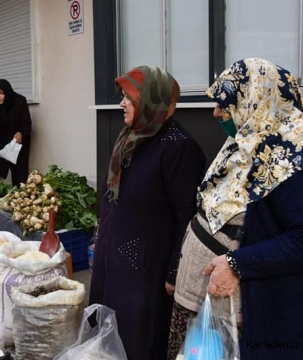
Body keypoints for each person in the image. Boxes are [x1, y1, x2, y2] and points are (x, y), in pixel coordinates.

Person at [168, 58, 303, 360]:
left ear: (257, 101)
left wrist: (238, 264)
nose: (217, 113)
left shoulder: (293, 160)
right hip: (202, 305)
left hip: (248, 317)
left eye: (225, 104)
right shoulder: (242, 143)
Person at [89, 66, 206, 360]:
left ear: (152, 99)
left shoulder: (178, 147)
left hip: (145, 271)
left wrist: (174, 272)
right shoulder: (132, 138)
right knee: (107, 334)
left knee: (138, 341)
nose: (121, 103)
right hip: (113, 257)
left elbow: (187, 215)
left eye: (128, 97)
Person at [0, 79, 32, 186]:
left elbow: (26, 123)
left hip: (15, 143)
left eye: (1, 93)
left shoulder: (19, 101)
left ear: (7, 93)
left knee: (19, 176)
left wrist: (20, 133)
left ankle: (19, 197)